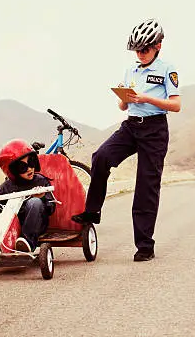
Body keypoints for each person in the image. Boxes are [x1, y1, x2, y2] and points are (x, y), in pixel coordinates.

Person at [72, 18, 181, 262]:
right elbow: (123, 106)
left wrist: (147, 99)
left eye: (145, 49)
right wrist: (125, 97)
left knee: (146, 187)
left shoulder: (167, 69)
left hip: (154, 131)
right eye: (137, 50)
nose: (140, 54)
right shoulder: (131, 70)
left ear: (158, 46)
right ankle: (92, 212)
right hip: (131, 126)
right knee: (100, 157)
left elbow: (176, 105)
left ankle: (145, 247)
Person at [0, 139, 55, 252]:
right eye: (23, 167)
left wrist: (41, 197)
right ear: (12, 171)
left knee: (35, 202)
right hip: (12, 227)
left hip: (35, 225)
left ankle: (27, 243)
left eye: (31, 163)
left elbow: (51, 208)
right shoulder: (5, 187)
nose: (29, 169)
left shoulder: (41, 181)